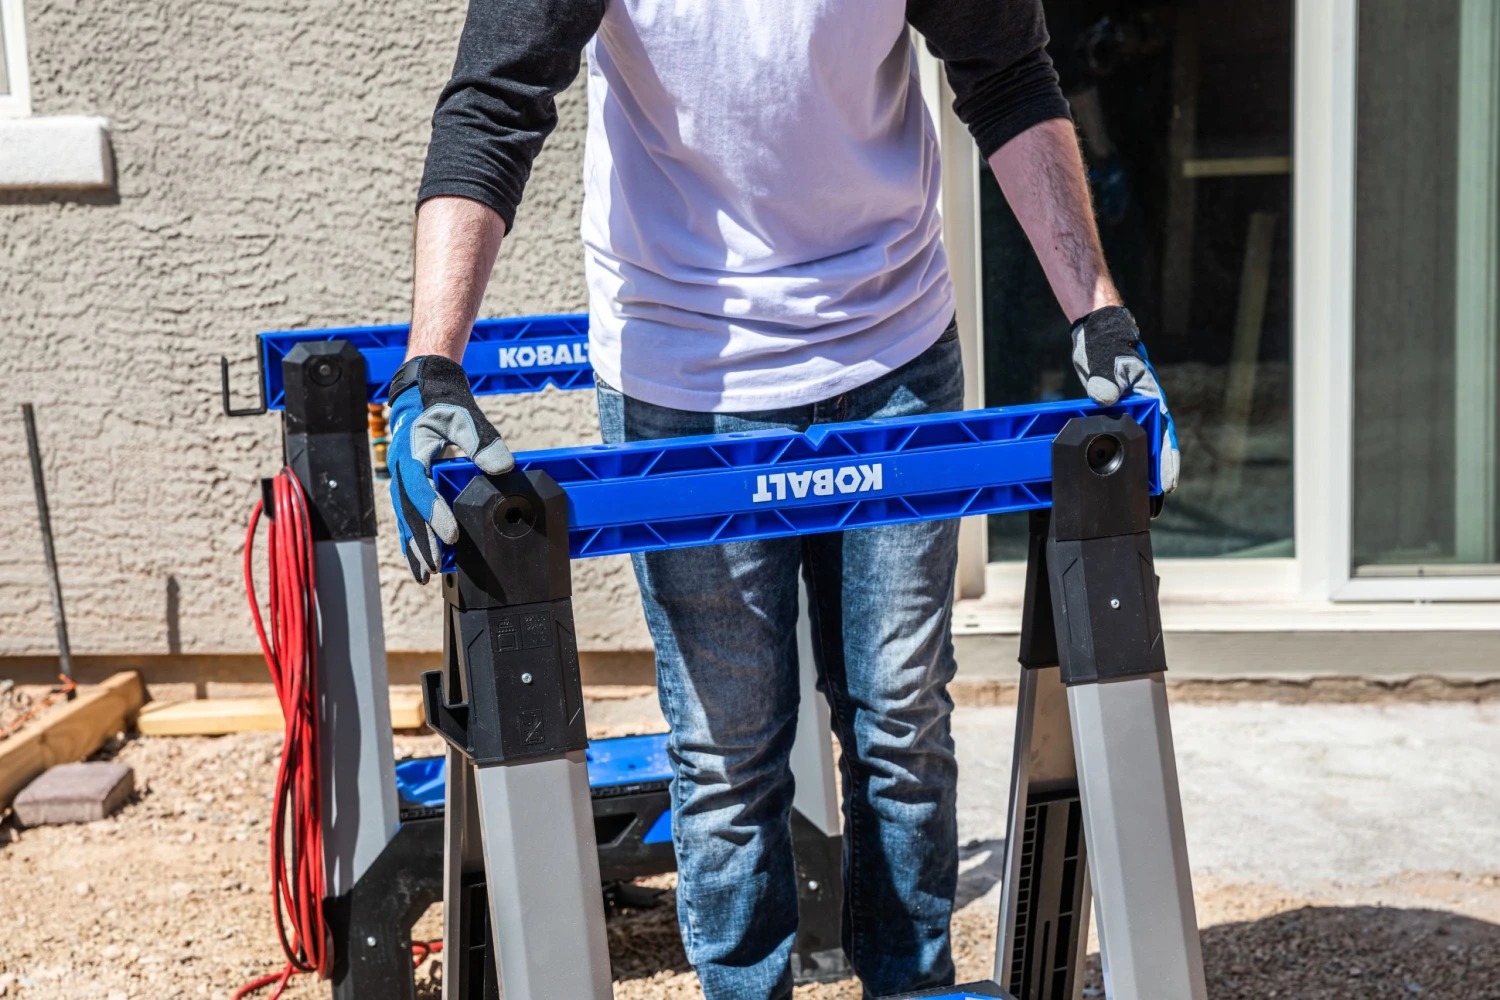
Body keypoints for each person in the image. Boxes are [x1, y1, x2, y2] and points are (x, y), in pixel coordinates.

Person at [384, 2, 1179, 998]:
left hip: (891, 337)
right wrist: (433, 362)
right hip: (684, 361)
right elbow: (496, 101)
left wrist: (1099, 314)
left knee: (901, 722)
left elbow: (1008, 73)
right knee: (726, 751)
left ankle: (912, 983)